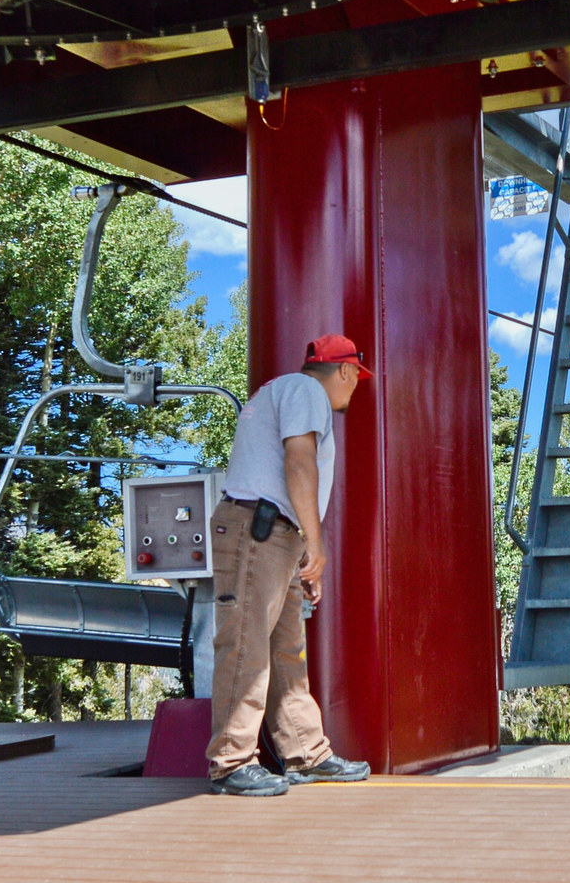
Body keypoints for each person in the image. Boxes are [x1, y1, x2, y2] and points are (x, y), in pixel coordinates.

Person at [202, 334, 377, 797]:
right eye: (356, 379)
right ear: (344, 370)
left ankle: (307, 753)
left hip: (274, 531)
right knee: (246, 644)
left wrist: (300, 547)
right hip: (258, 529)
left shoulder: (280, 391)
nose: (354, 390)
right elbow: (300, 462)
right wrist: (317, 546)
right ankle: (231, 762)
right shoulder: (306, 392)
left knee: (284, 651)